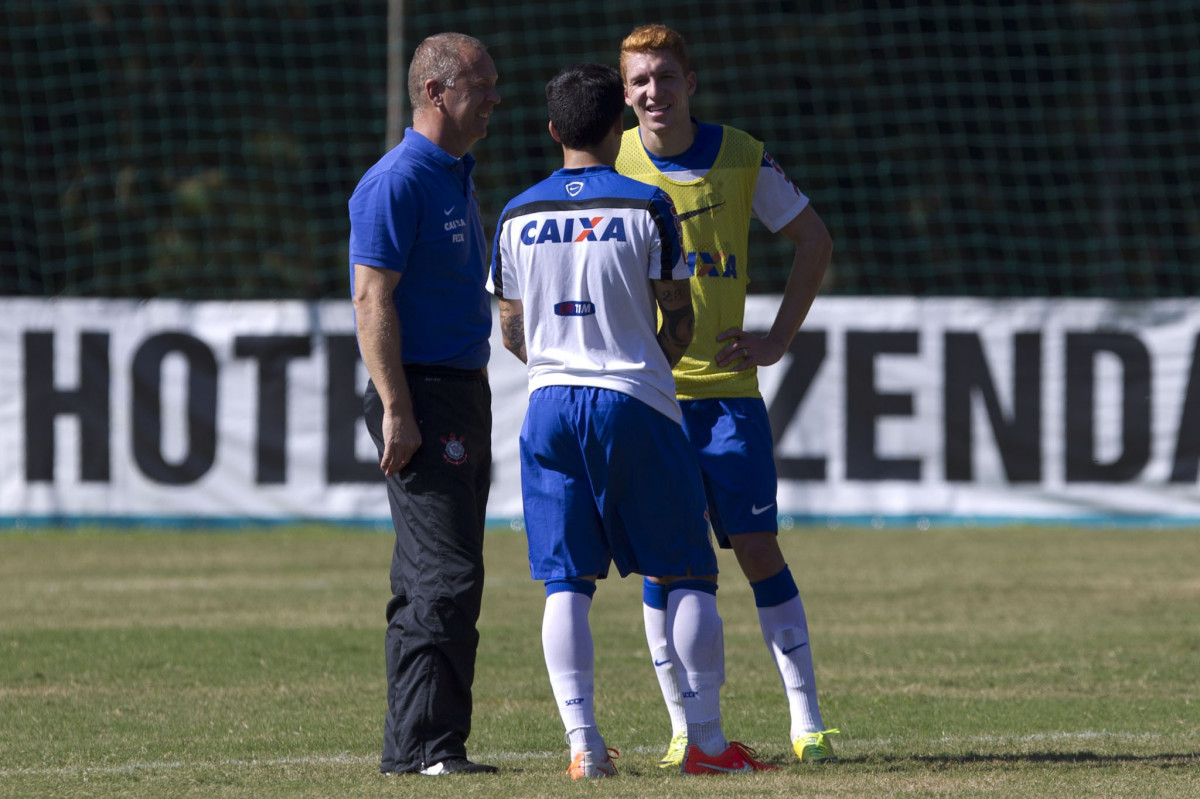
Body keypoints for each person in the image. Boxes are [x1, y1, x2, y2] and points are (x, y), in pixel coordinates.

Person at [490, 62, 776, 778]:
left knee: (565, 582)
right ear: (616, 127)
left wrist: (557, 354)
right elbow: (676, 319)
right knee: (686, 573)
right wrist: (644, 356)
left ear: (554, 130)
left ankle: (585, 746)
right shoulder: (648, 206)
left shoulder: (516, 214)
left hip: (550, 403)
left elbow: (511, 329)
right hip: (637, 401)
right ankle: (706, 743)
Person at [616, 24, 839, 767]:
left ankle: (806, 721)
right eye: (641, 80)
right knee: (664, 562)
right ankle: (684, 725)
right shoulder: (609, 158)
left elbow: (815, 240)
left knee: (757, 547)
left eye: (666, 76)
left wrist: (775, 340)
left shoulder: (743, 154)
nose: (655, 91)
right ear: (624, 92)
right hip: (646, 397)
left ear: (691, 83)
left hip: (728, 396)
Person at [347, 32, 501, 776]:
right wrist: (396, 406)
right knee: (443, 576)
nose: (495, 99)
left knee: (437, 575)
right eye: (482, 85)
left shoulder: (455, 173)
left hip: (462, 390)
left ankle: (418, 746)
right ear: (437, 92)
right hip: (424, 394)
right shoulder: (397, 180)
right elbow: (371, 299)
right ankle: (429, 749)